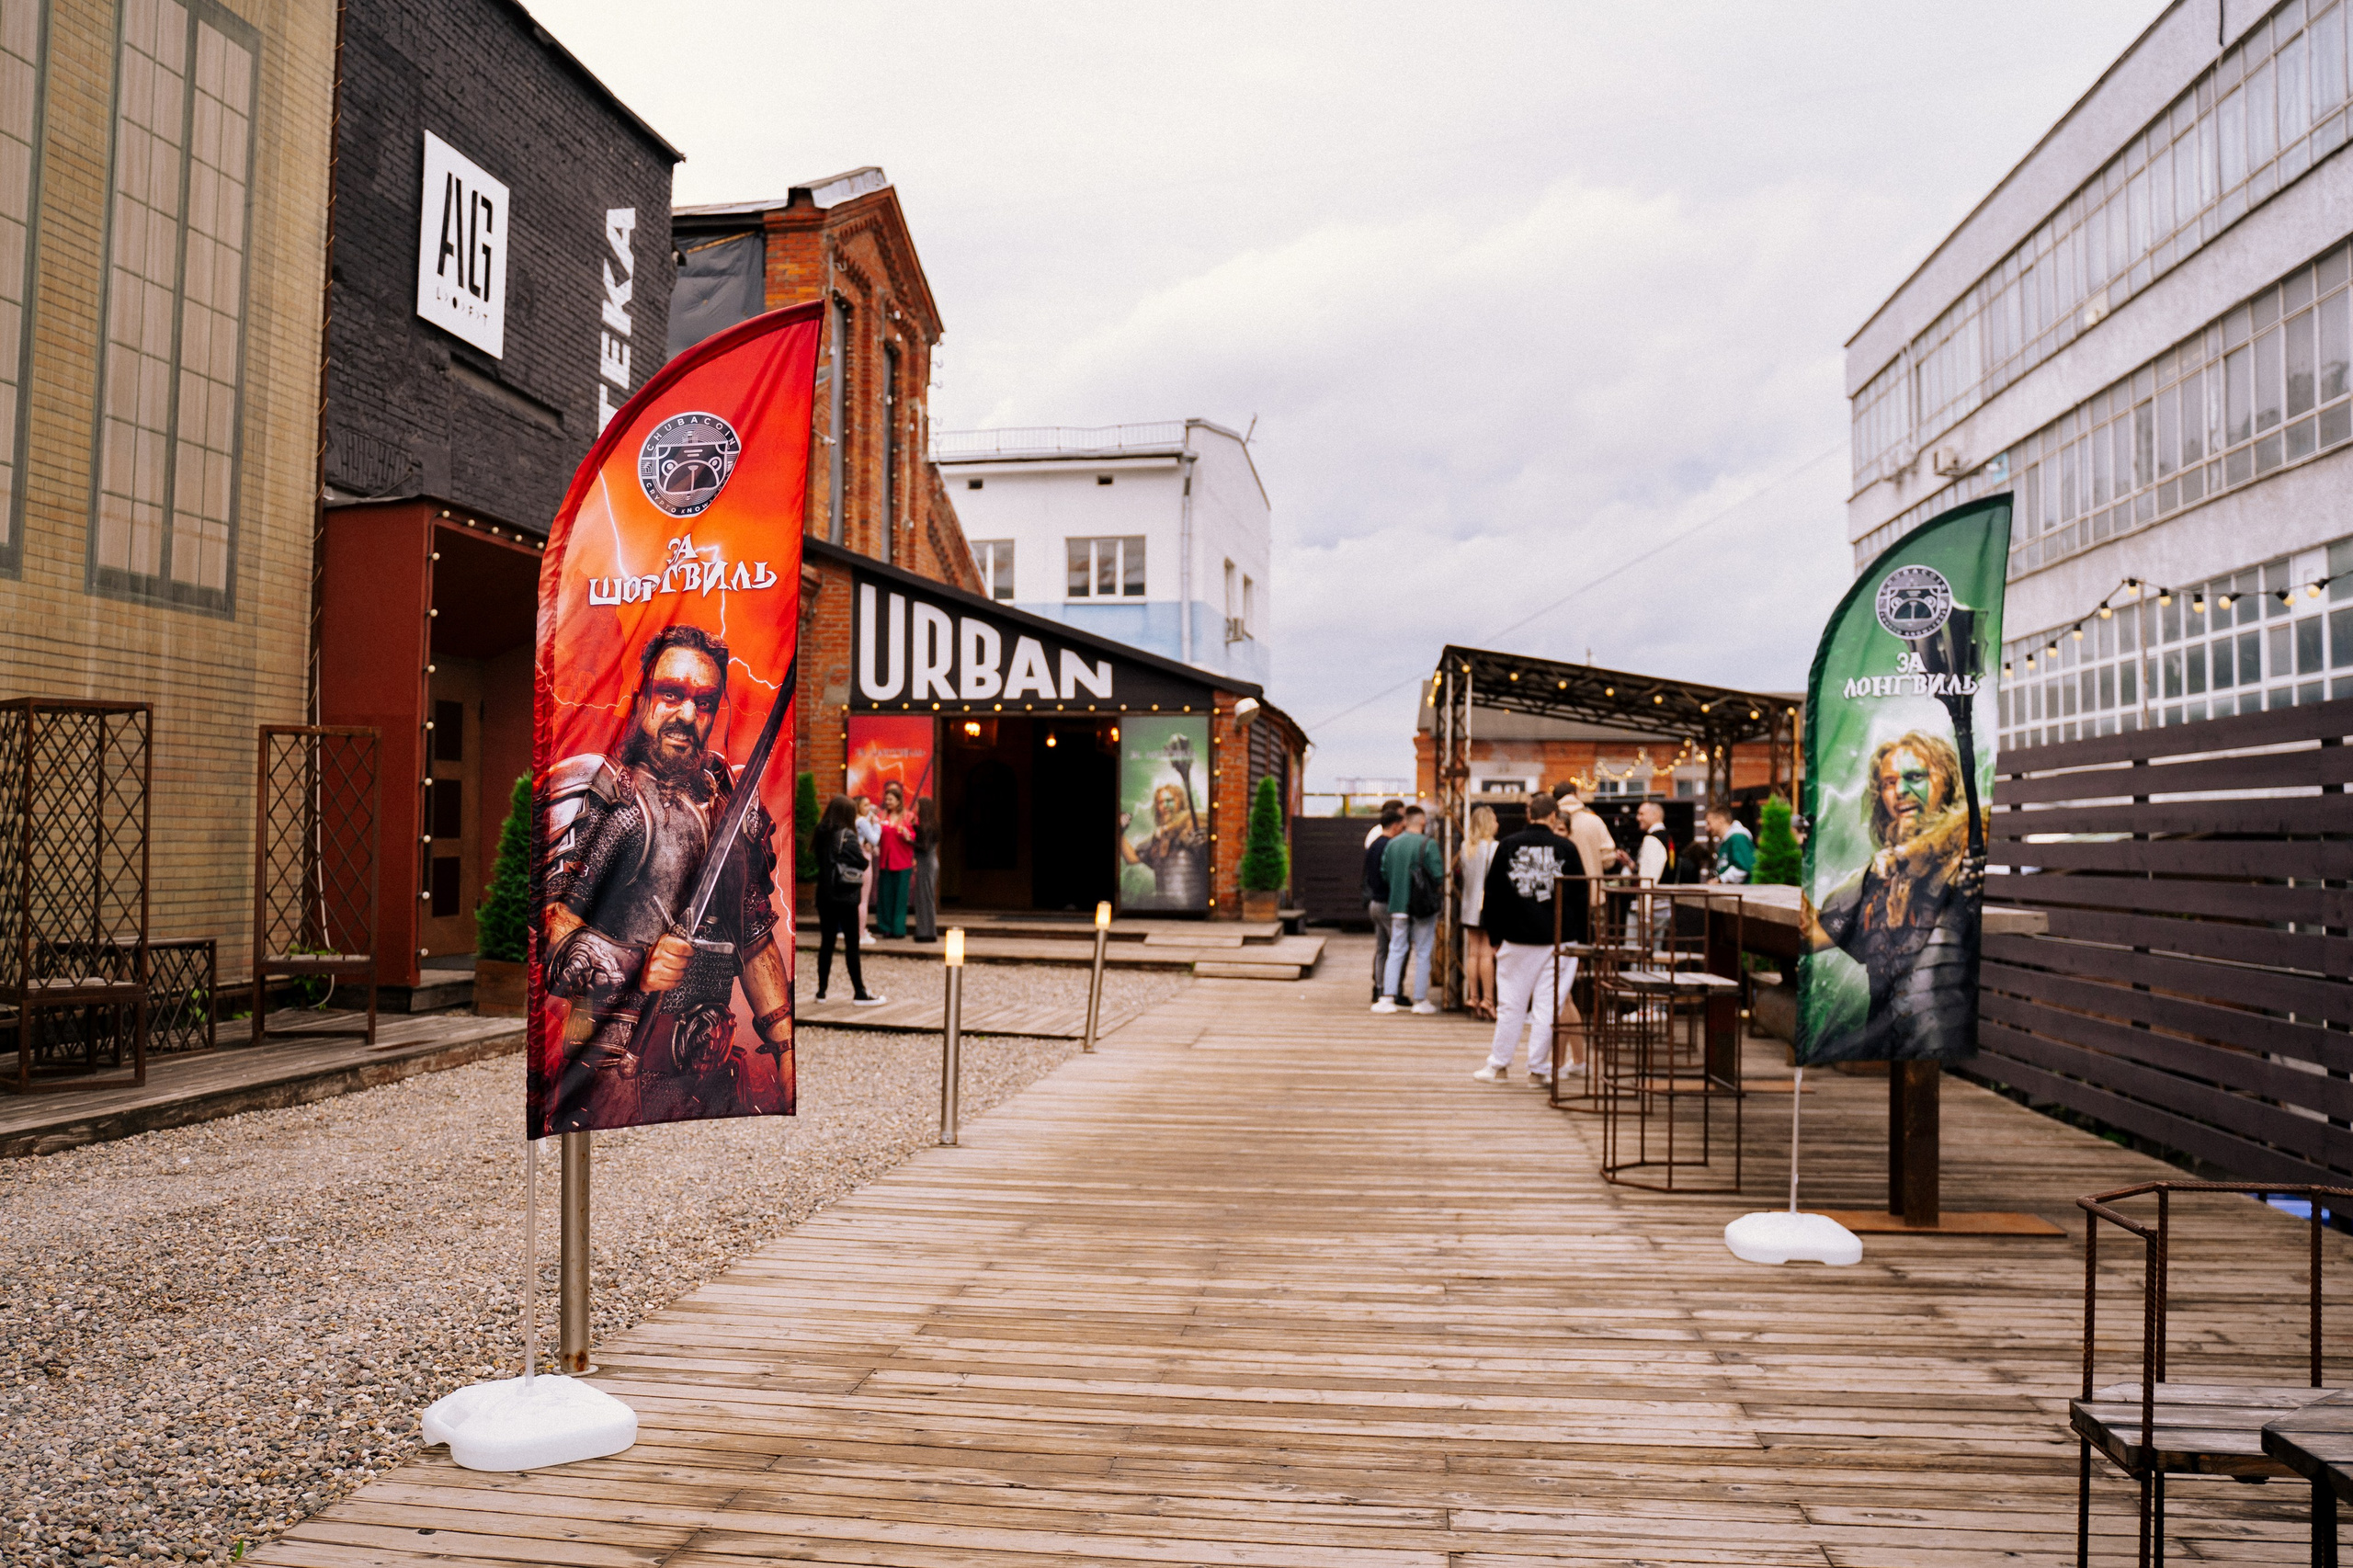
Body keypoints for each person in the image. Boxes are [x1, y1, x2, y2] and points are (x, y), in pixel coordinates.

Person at [537, 624, 792, 1132]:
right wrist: (636, 965)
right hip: (617, 1069)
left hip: (714, 1068)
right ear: (641, 699)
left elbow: (753, 938)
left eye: (703, 702)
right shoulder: (611, 796)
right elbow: (553, 926)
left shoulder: (731, 803)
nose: (686, 715)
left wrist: (784, 1045)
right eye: (670, 694)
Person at [1801, 731, 1982, 1059]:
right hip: (1883, 1045)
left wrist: (1908, 852)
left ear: (1948, 781)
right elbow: (1812, 936)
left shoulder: (1965, 853)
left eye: (1915, 776)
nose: (1900, 791)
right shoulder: (1874, 875)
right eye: (1888, 782)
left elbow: (1969, 821)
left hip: (1946, 1050)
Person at [1474, 792, 1587, 1084]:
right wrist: (1583, 938)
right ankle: (1537, 1070)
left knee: (1510, 1004)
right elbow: (1580, 897)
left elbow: (1494, 894)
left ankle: (1498, 1066)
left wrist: (1495, 936)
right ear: (1553, 817)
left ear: (1529, 815)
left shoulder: (1508, 845)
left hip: (1516, 937)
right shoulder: (1566, 847)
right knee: (1548, 1006)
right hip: (1560, 940)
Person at [811, 795, 881, 1005]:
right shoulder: (847, 836)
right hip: (845, 896)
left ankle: (821, 992)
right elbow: (862, 863)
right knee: (852, 944)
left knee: (827, 943)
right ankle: (859, 992)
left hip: (824, 896)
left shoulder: (821, 832)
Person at [1375, 805, 1443, 1014]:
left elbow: (1384, 872)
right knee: (1423, 952)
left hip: (1398, 903)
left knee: (1396, 949)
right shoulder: (1428, 844)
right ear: (1422, 822)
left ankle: (1387, 997)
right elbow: (1438, 874)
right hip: (1422, 907)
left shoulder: (1393, 844)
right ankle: (1420, 1000)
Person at [1457, 805, 1500, 1022]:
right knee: (1487, 954)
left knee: (1473, 952)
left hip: (1469, 906)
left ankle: (1473, 997)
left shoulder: (1466, 847)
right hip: (1489, 906)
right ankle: (1489, 1000)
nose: (1497, 824)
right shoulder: (1496, 848)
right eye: (1494, 820)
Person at [1361, 804, 1404, 1002]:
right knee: (1398, 948)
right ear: (1395, 826)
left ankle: (1378, 988)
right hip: (1388, 902)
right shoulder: (1391, 846)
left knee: (1381, 949)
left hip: (1374, 902)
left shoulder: (1373, 845)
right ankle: (1393, 990)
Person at [872, 780, 915, 938]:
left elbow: (915, 836)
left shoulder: (909, 817)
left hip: (903, 863)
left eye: (891, 799)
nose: (888, 802)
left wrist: (907, 835)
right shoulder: (881, 816)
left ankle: (898, 928)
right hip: (885, 862)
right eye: (887, 799)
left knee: (900, 898)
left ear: (898, 801)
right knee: (885, 897)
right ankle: (885, 927)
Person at [909, 795, 941, 942]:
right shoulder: (932, 824)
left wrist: (908, 840)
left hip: (926, 863)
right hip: (931, 862)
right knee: (926, 897)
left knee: (924, 898)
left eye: (918, 806)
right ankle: (926, 931)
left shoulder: (925, 826)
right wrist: (915, 827)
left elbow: (924, 847)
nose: (916, 808)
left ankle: (926, 933)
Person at [1707, 802, 1755, 884]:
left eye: (1709, 823)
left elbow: (1742, 868)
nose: (1707, 828)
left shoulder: (1738, 838)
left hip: (1743, 894)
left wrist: (1720, 880)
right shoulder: (1727, 841)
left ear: (1720, 820)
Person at [855, 797, 881, 934]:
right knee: (863, 899)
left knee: (857, 898)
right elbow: (875, 839)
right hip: (864, 859)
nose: (868, 808)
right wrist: (876, 824)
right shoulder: (862, 821)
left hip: (856, 859)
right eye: (865, 805)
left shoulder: (854, 820)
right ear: (858, 806)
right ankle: (861, 932)